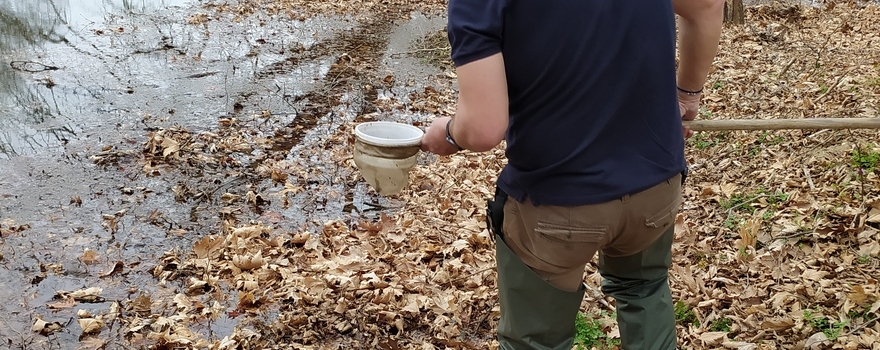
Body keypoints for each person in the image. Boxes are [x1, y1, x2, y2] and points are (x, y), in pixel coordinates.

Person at [420, 0, 724, 349]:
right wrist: (687, 93)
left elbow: (483, 127)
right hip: (655, 189)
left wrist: (446, 133)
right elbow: (707, 5)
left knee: (535, 342)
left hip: (555, 206)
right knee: (643, 288)